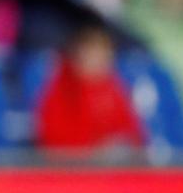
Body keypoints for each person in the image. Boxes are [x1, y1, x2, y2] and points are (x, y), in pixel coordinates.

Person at [34, 25, 145, 156]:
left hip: (112, 169)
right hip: (73, 170)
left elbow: (134, 134)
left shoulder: (115, 89)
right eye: (90, 54)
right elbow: (53, 140)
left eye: (102, 54)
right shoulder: (61, 90)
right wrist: (96, 148)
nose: (96, 61)